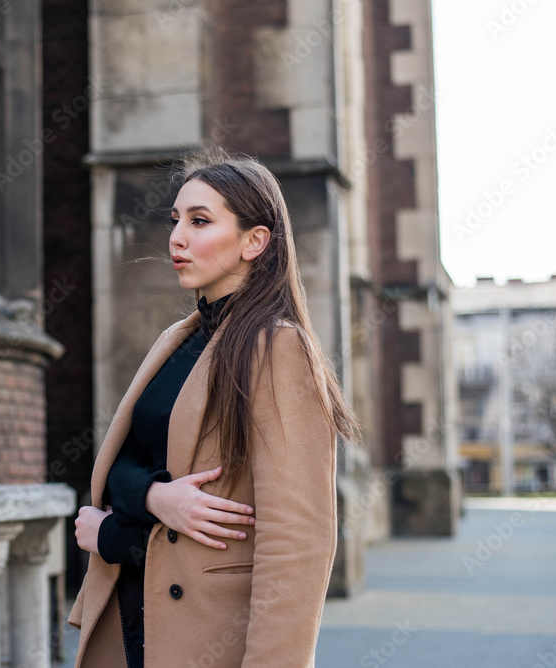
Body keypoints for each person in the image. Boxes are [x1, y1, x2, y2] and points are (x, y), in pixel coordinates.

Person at [68, 148, 362, 668]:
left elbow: (297, 543)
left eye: (200, 221)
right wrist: (158, 498)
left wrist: (115, 532)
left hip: (209, 638)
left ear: (255, 241)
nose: (176, 237)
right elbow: (117, 468)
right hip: (134, 619)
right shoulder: (178, 340)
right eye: (175, 219)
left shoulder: (278, 348)